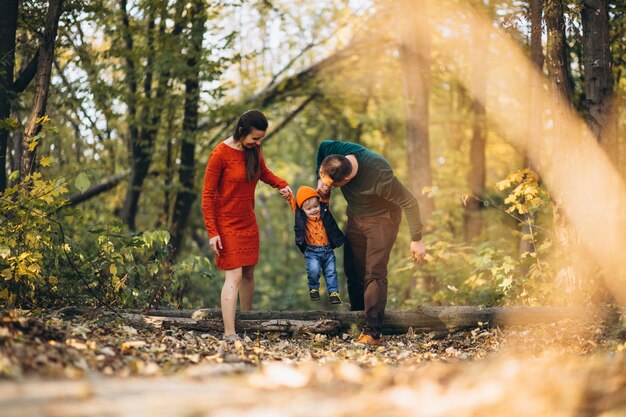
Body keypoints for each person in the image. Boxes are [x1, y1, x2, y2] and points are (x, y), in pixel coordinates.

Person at [315, 140, 427, 346]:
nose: (327, 188)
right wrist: (320, 180)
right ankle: (357, 320)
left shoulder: (379, 174)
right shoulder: (334, 151)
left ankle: (373, 332)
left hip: (382, 219)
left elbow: (409, 202)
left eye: (332, 185)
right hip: (356, 216)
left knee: (374, 273)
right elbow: (322, 146)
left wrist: (417, 239)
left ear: (346, 179)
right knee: (353, 270)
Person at [202, 110, 291, 341]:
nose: (258, 142)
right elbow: (207, 195)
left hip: (247, 219)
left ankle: (247, 319)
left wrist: (281, 185)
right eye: (255, 138)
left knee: (249, 271)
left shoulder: (254, 150)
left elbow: (263, 172)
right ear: (241, 132)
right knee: (235, 275)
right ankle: (230, 333)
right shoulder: (219, 154)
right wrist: (213, 232)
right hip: (226, 222)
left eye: (261, 138)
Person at [287, 186, 345, 304]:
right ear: (302, 210)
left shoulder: (324, 212)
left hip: (328, 250)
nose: (313, 210)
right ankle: (313, 288)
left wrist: (325, 188)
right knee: (313, 270)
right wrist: (288, 195)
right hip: (312, 252)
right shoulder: (301, 217)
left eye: (315, 206)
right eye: (309, 209)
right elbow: (294, 204)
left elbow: (325, 196)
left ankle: (333, 293)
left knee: (331, 272)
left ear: (319, 204)